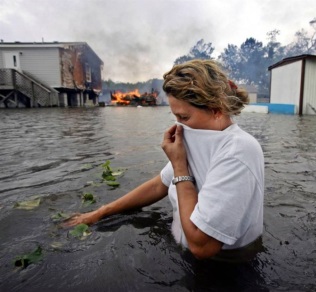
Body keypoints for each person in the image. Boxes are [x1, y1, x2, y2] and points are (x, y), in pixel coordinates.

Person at [64, 59, 265, 260]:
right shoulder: (199, 137)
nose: (178, 126)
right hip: (178, 248)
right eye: (175, 117)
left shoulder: (238, 152)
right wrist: (100, 213)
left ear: (216, 109)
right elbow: (159, 185)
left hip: (220, 269)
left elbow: (202, 245)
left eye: (184, 117)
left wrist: (179, 166)